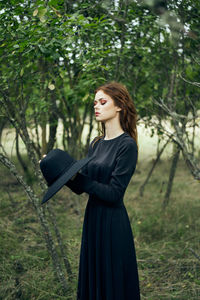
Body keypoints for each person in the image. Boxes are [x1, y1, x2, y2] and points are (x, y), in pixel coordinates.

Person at [65, 81, 140, 300]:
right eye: (95, 103)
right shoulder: (96, 143)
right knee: (94, 279)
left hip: (113, 223)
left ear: (119, 105)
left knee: (112, 283)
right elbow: (82, 187)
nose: (96, 106)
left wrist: (80, 178)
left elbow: (114, 193)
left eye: (103, 101)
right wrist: (61, 176)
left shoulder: (127, 146)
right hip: (93, 219)